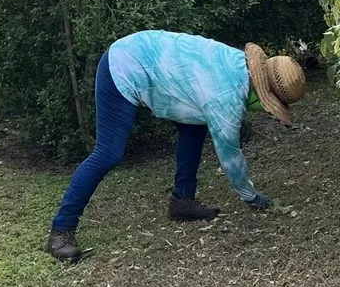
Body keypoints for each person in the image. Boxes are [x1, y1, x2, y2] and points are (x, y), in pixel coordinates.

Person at [47, 30, 306, 262]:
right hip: (123, 66)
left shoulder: (236, 63)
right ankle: (61, 230)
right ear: (263, 96)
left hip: (138, 53)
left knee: (194, 126)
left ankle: (183, 202)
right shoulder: (225, 98)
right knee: (107, 153)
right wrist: (253, 197)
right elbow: (230, 157)